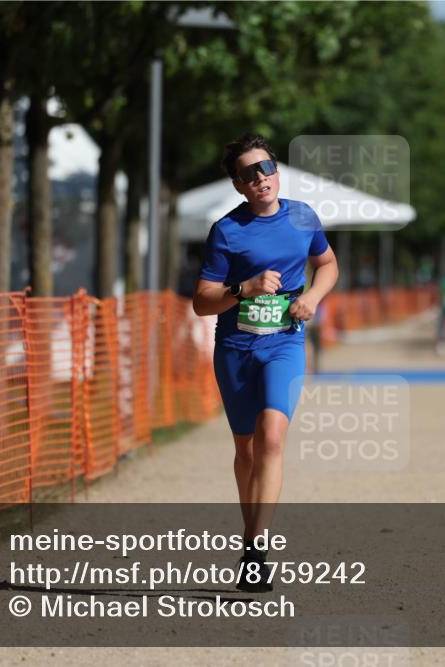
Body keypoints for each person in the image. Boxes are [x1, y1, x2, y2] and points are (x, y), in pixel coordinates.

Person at [192, 133, 339, 592]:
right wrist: (244, 289)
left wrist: (312, 297)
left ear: (277, 170)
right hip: (236, 347)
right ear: (238, 185)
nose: (261, 178)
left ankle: (256, 550)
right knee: (247, 451)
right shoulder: (226, 231)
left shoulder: (302, 216)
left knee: (272, 438)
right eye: (249, 174)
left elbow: (328, 264)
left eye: (266, 167)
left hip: (285, 343)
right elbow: (202, 301)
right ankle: (251, 535)